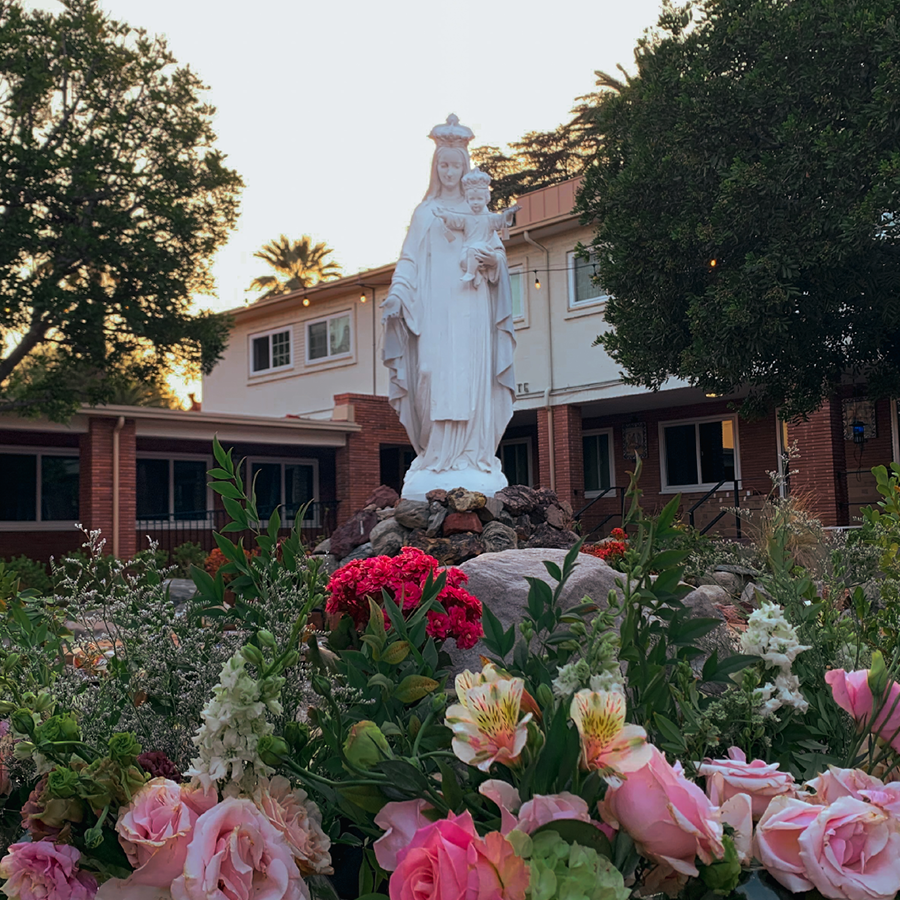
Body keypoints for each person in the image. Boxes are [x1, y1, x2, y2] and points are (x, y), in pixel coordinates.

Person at [381, 115, 516, 500]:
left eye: (457, 165)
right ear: (435, 167)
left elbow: (498, 258)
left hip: (472, 311)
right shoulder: (425, 213)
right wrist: (397, 293)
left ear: (466, 167)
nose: (451, 172)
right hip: (434, 313)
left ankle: (472, 456)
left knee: (471, 380)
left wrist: (492, 264)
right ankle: (436, 455)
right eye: (444, 165)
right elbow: (407, 260)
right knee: (428, 374)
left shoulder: (481, 211)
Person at [432, 168, 520, 287]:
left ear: (486, 199)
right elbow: (455, 220)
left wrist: (508, 214)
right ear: (467, 200)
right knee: (464, 261)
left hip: (482, 247)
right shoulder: (466, 216)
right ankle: (474, 273)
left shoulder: (489, 217)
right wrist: (444, 215)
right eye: (472, 199)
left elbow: (500, 221)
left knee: (475, 250)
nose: (475, 202)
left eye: (479, 199)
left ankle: (471, 273)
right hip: (467, 248)